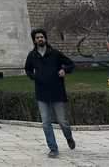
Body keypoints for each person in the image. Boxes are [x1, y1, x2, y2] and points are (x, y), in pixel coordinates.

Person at [24, 29, 76, 158]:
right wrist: (34, 77)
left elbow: (71, 64)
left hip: (57, 91)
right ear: (34, 40)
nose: (40, 39)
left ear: (45, 38)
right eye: (37, 38)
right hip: (41, 93)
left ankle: (69, 137)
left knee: (62, 121)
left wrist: (64, 70)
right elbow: (28, 69)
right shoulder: (32, 55)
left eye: (41, 37)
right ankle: (53, 148)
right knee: (46, 122)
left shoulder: (55, 53)